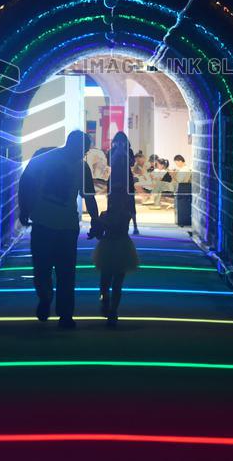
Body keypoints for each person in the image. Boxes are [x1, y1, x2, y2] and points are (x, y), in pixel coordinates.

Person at [18, 130, 99, 329]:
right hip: (52, 223)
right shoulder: (46, 158)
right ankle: (49, 301)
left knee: (55, 270)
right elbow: (26, 183)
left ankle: (63, 313)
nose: (82, 155)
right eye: (83, 150)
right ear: (72, 145)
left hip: (59, 225)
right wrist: (24, 208)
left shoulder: (73, 165)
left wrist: (96, 221)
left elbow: (89, 196)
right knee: (58, 271)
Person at [88, 131, 139, 326]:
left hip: (109, 246)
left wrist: (97, 227)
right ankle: (112, 310)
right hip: (122, 245)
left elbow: (101, 227)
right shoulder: (123, 213)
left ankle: (106, 301)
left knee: (106, 278)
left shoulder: (107, 214)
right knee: (117, 280)